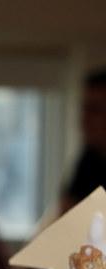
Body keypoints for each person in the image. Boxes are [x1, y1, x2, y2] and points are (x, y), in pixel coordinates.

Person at [61, 68, 106, 212]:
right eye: (84, 109)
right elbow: (67, 212)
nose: (84, 119)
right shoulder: (89, 160)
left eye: (95, 110)